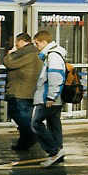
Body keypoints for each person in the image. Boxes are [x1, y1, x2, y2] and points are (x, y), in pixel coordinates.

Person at [31, 30, 68, 167]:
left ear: (44, 42)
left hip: (48, 98)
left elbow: (55, 76)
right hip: (54, 98)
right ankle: (58, 152)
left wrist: (51, 97)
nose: (36, 46)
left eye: (37, 43)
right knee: (54, 125)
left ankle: (53, 152)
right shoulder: (54, 55)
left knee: (35, 124)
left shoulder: (53, 56)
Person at [2, 33, 41, 151]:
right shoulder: (35, 52)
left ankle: (32, 134)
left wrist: (10, 54)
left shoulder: (24, 53)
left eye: (16, 42)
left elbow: (8, 62)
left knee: (18, 115)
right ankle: (23, 143)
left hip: (20, 91)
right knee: (26, 116)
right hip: (31, 90)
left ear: (22, 41)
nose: (15, 45)